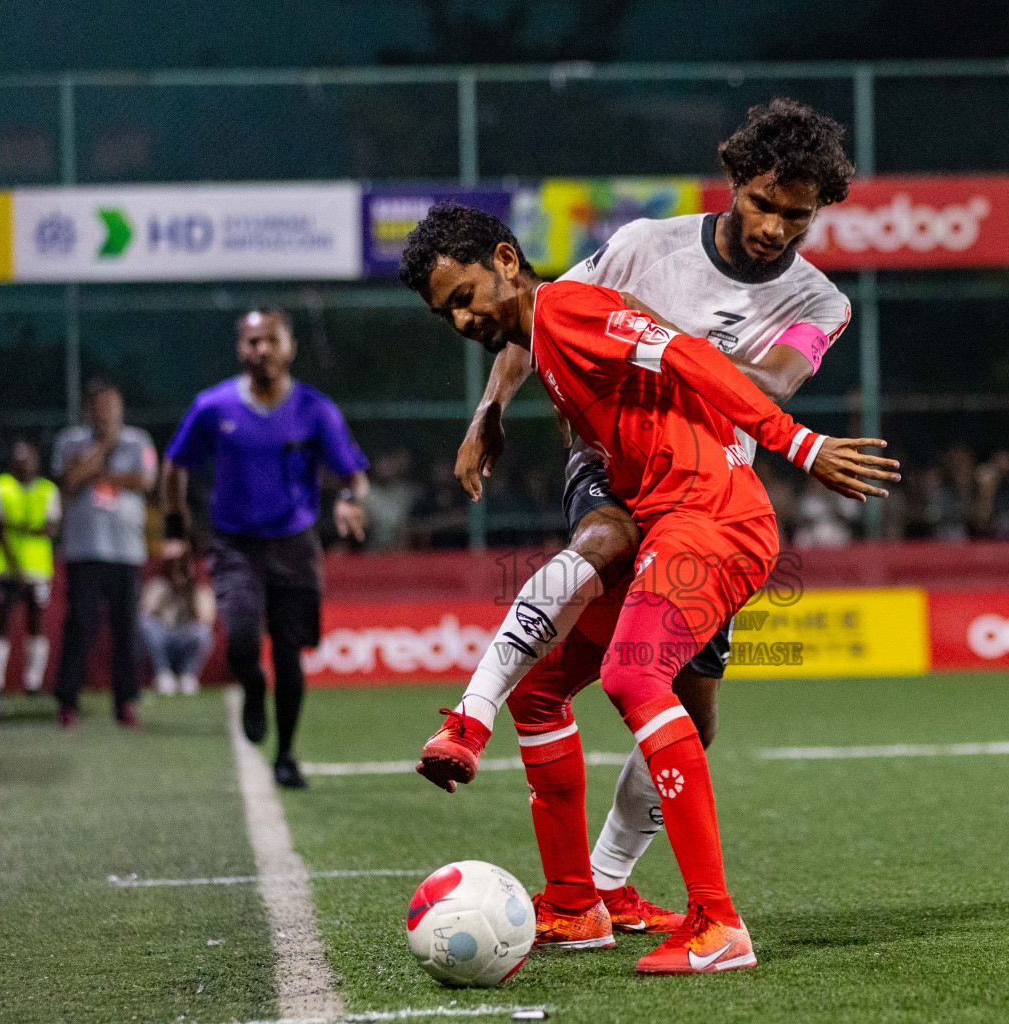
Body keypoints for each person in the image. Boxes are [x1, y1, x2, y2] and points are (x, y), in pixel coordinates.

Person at [399, 203, 897, 973]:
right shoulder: (545, 335)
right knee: (542, 690)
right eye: (447, 314)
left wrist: (799, 444)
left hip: (713, 518)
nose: (463, 319)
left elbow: (694, 358)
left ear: (505, 260)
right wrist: (490, 411)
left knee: (635, 676)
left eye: (464, 296)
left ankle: (717, 923)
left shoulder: (565, 308)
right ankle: (576, 901)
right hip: (666, 520)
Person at [159, 307, 369, 789]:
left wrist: (350, 501)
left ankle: (287, 754)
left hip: (295, 546)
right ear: (241, 350)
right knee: (241, 638)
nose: (262, 350)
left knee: (291, 654)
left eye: (271, 340)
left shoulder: (316, 409)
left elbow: (353, 474)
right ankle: (253, 688)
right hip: (235, 547)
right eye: (253, 342)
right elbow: (174, 467)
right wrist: (175, 530)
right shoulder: (213, 407)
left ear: (289, 347)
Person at [51, 381, 157, 729]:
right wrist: (101, 450)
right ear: (88, 411)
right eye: (100, 408)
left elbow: (143, 480)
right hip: (84, 550)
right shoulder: (70, 440)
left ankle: (125, 701)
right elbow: (68, 481)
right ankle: (67, 701)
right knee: (80, 624)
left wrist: (96, 470)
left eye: (113, 407)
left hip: (126, 551)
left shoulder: (138, 440)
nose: (108, 414)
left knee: (126, 628)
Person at [0, 440, 61, 693]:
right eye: (19, 459)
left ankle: (33, 683)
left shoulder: (48, 489)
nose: (24, 464)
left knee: (36, 621)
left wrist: (16, 526)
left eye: (28, 458)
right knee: (3, 621)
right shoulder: (0, 486)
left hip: (38, 569)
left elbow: (51, 527)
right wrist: (17, 565)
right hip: (7, 568)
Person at [140, 557, 217, 696]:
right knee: (147, 626)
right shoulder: (158, 585)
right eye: (176, 571)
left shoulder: (199, 590)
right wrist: (165, 596)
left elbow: (207, 620)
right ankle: (163, 674)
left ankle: (189, 675)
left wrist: (191, 596)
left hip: (186, 638)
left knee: (204, 633)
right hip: (164, 636)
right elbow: (146, 614)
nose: (180, 576)